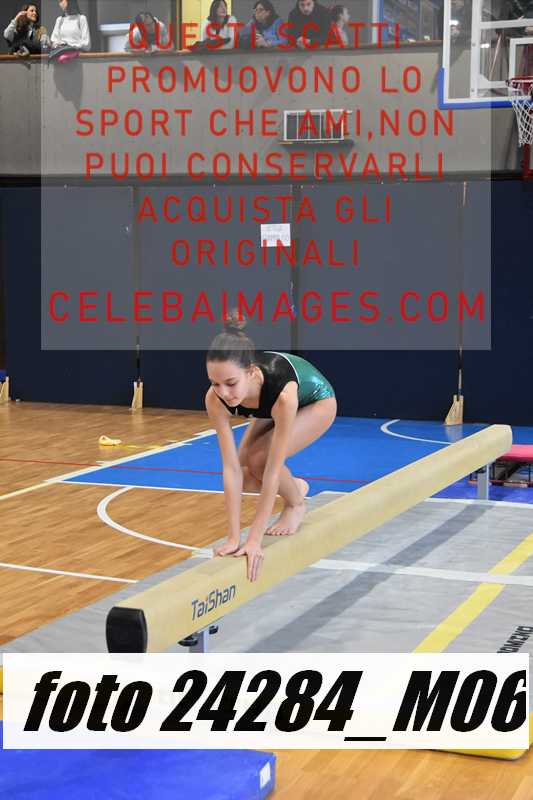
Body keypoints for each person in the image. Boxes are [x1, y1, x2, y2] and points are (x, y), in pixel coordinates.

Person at [205, 316, 336, 582]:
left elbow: (273, 471)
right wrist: (233, 538)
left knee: (261, 461)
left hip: (316, 400)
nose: (224, 393)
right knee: (245, 471)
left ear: (251, 372)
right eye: (215, 383)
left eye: (230, 383)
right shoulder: (215, 399)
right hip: (267, 405)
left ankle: (296, 504)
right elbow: (230, 469)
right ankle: (295, 486)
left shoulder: (283, 395)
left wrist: (254, 540)